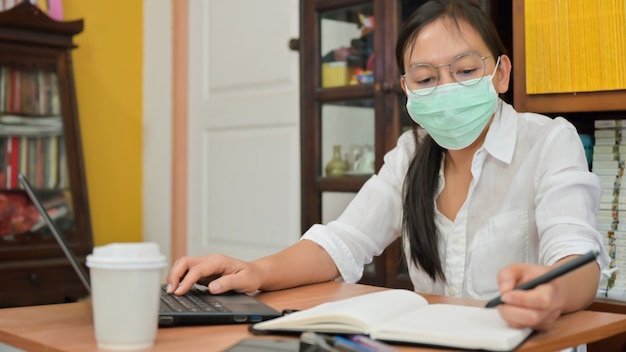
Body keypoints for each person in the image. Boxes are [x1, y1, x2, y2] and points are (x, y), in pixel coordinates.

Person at [167, 0, 609, 331]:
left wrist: (550, 291)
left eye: (466, 70)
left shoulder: (549, 140)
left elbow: (579, 261)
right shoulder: (411, 152)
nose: (447, 88)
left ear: (501, 73)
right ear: (406, 89)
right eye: (426, 79)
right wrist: (256, 270)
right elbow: (343, 241)